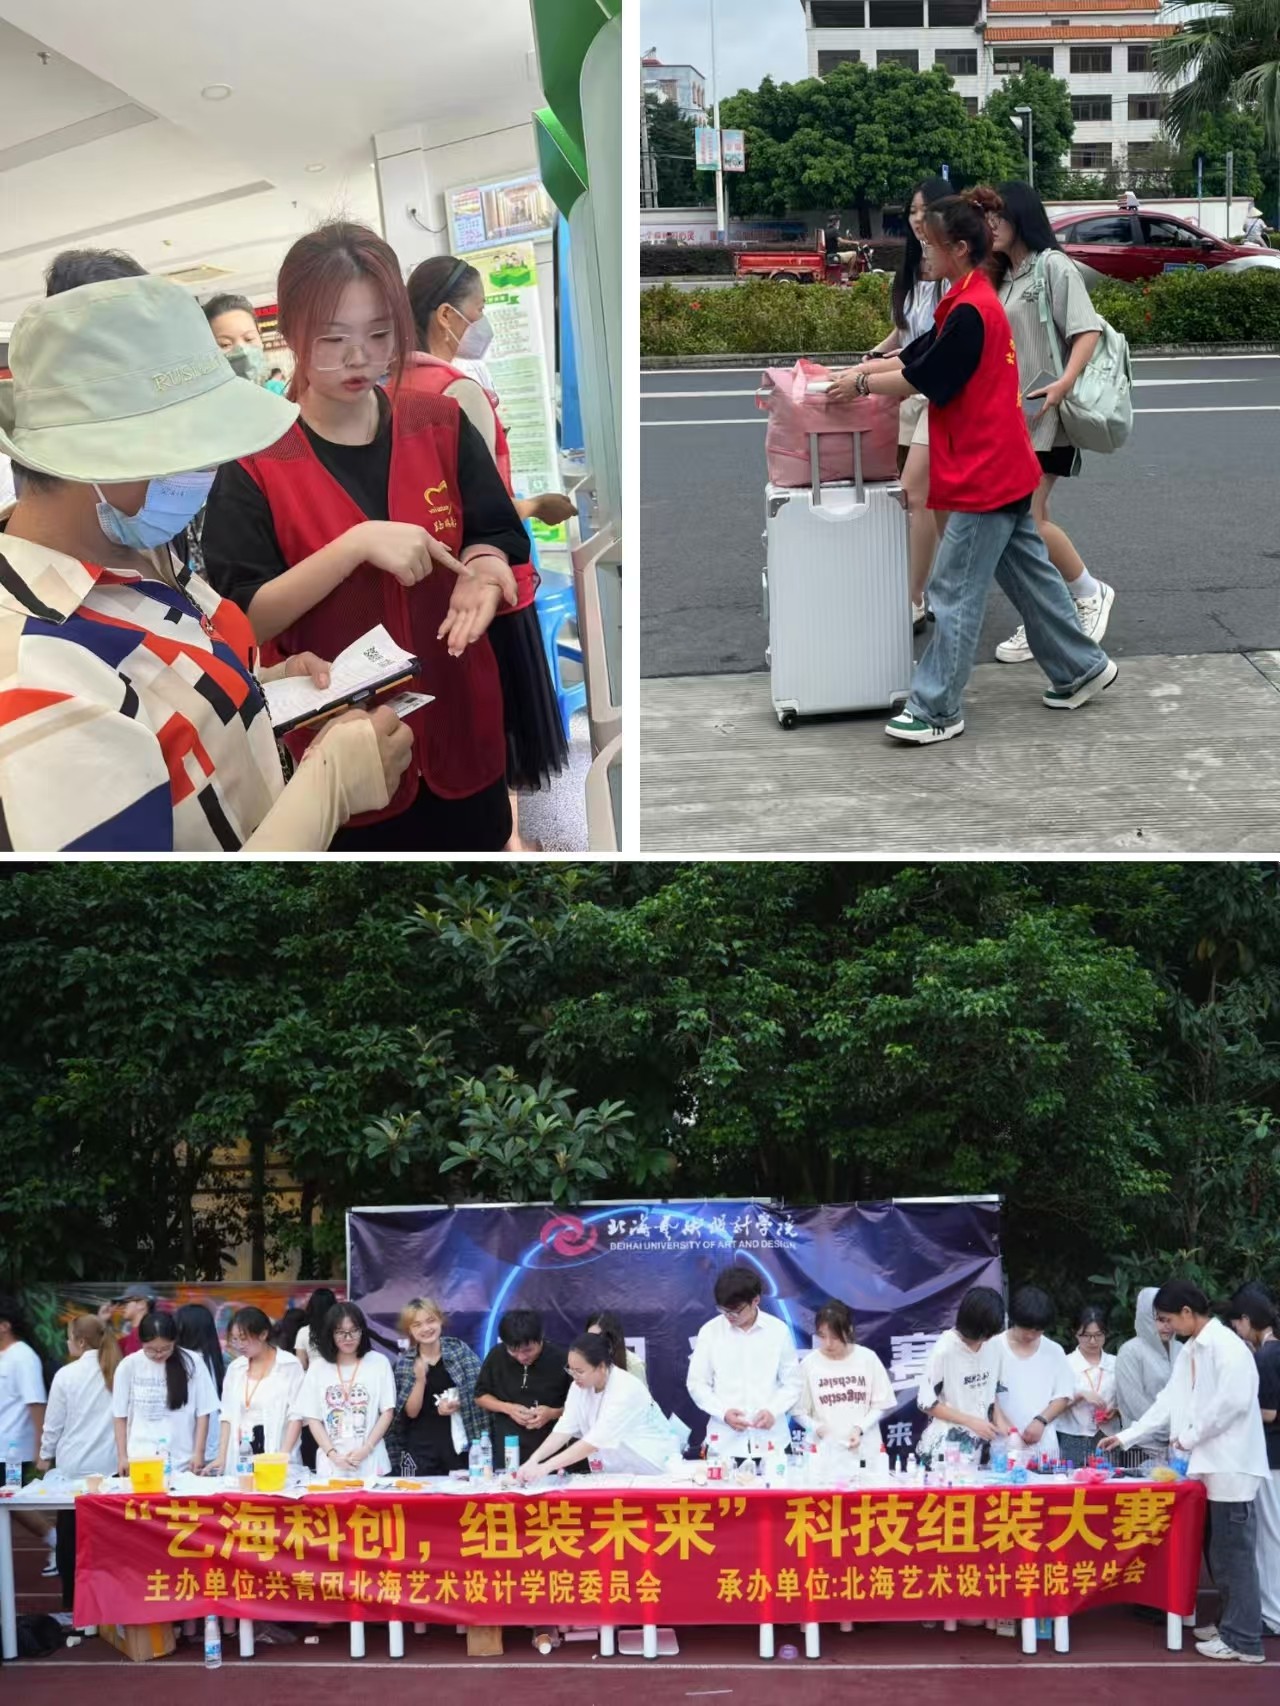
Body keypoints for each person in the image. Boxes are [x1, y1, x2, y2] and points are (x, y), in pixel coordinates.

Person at [0, 273, 411, 850]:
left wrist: (256, 689)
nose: (208, 474)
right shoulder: (36, 672)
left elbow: (169, 704)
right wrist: (329, 789)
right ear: (90, 460)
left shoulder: (135, 547)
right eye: (188, 451)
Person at [200, 222, 526, 854]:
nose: (358, 358)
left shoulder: (439, 423)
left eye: (379, 335)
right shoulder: (254, 465)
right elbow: (243, 618)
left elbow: (494, 532)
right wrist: (351, 547)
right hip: (347, 751)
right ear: (290, 332)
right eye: (333, 339)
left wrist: (485, 572)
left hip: (462, 722)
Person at [829, 192, 1117, 745]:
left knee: (953, 590)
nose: (923, 252)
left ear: (959, 248)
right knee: (1031, 582)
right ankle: (1082, 668)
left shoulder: (970, 310)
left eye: (931, 243)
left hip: (985, 472)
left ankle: (936, 708)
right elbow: (919, 356)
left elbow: (925, 377)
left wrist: (861, 383)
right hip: (1001, 465)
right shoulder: (967, 300)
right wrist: (862, 371)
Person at [404, 255, 574, 850]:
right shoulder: (456, 390)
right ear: (446, 317)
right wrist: (539, 506)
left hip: (430, 588)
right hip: (489, 585)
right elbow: (486, 508)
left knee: (462, 715)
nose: (482, 324)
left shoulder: (390, 387)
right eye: (477, 312)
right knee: (498, 717)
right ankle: (511, 843)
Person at [1102, 1280, 1269, 1665]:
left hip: (1231, 1464)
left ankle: (1244, 1639)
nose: (1165, 1327)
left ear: (1188, 1313)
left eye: (1167, 1319)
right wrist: (1126, 1436)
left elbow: (1233, 1403)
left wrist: (1191, 1435)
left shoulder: (1226, 1346)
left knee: (1233, 1554)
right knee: (1220, 1552)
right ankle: (1232, 1626)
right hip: (1209, 1464)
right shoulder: (1193, 1349)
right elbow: (1169, 1401)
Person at [985, 181, 1113, 662]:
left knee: (1027, 520)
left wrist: (1063, 384)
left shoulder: (1052, 266)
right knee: (1028, 521)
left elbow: (1086, 330)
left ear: (1021, 217)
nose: (990, 226)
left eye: (998, 217)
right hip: (1011, 419)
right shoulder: (1003, 277)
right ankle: (1048, 611)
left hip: (1047, 415)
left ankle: (1088, 592)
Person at [865, 176, 951, 627]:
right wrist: (874, 356)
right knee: (927, 501)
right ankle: (947, 584)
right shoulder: (915, 269)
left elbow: (935, 344)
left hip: (935, 392)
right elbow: (906, 332)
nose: (918, 220)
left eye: (925, 210)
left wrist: (868, 379)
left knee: (916, 492)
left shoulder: (952, 269)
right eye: (913, 212)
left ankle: (916, 597)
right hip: (908, 391)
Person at [35, 1316, 119, 1612]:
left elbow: (53, 1424)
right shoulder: (118, 1370)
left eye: (69, 1337)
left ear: (81, 1341)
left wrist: (44, 1456)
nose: (66, 1342)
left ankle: (73, 1606)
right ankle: (109, 1608)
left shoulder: (66, 1375)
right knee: (108, 1541)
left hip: (74, 1469)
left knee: (70, 1540)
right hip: (111, 1468)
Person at [514, 1331, 674, 1480]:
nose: (574, 1376)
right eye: (571, 1370)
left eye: (580, 1371)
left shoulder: (625, 1389)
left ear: (601, 1367)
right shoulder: (578, 1387)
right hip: (616, 1474)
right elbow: (564, 1429)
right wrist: (533, 1460)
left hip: (653, 1470)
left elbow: (593, 1442)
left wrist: (545, 1467)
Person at [686, 1264, 801, 1458]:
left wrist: (773, 1411)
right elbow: (697, 1383)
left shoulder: (777, 1331)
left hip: (772, 1443)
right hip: (724, 1444)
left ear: (755, 1300)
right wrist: (723, 1412)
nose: (729, 1316)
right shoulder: (710, 1332)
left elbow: (793, 1383)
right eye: (723, 1310)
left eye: (735, 1311)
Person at [290, 1301, 395, 1480]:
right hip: (332, 1466)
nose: (348, 1338)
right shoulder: (318, 1368)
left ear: (362, 1331)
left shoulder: (379, 1362)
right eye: (340, 1332)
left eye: (354, 1330)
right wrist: (332, 1454)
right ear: (330, 1333)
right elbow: (313, 1418)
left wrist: (366, 1449)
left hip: (371, 1462)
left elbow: (387, 1411)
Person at [1227, 1284, 1280, 1637]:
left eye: (1236, 1323)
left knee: (1269, 1537)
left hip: (1271, 1456)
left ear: (1247, 1320)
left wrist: (1235, 1408)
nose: (1236, 1330)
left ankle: (1271, 1614)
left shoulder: (1265, 1358)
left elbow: (1268, 1413)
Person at [112, 1310, 220, 1473]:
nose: (158, 1354)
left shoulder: (192, 1362)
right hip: (141, 1460)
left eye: (165, 1348)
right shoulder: (129, 1366)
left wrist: (199, 1453)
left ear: (174, 1341)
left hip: (182, 1461)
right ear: (141, 1342)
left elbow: (203, 1413)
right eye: (151, 1349)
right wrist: (122, 1457)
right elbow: (120, 1415)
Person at [388, 1297, 483, 1475]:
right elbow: (410, 1413)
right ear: (410, 1330)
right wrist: (420, 1379)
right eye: (417, 1325)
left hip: (459, 1445)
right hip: (421, 1449)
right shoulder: (406, 1363)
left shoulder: (459, 1350)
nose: (426, 1328)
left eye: (430, 1320)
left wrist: (459, 1403)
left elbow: (480, 1392)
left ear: (440, 1320)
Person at [916, 1285, 1007, 1466]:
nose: (986, 1339)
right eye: (984, 1333)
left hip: (982, 1448)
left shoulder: (994, 1345)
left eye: (990, 1334)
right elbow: (926, 1403)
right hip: (946, 1449)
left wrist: (1001, 1422)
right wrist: (971, 1421)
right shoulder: (946, 1349)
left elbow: (990, 1390)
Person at [207, 1306, 304, 1473]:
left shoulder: (289, 1365)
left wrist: (283, 1456)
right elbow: (227, 1415)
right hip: (241, 1454)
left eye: (244, 1339)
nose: (239, 1345)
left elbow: (296, 1416)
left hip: (276, 1451)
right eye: (235, 1340)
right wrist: (221, 1456)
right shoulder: (235, 1368)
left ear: (263, 1334)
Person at [796, 1300, 896, 1460]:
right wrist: (817, 1428)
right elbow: (798, 1411)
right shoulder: (809, 1364)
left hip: (864, 1449)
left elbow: (881, 1404)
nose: (828, 1343)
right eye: (822, 1336)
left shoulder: (867, 1358)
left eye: (834, 1337)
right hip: (824, 1452)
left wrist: (859, 1428)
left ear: (848, 1330)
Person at [473, 1308, 571, 1465]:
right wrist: (508, 1408)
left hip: (550, 1450)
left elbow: (579, 1407)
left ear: (540, 1338)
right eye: (513, 1351)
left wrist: (552, 1413)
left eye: (528, 1350)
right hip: (506, 1449)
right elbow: (480, 1396)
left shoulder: (561, 1359)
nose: (521, 1357)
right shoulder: (496, 1356)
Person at [0, 1294, 53, 1565]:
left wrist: (41, 1449)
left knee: (12, 1501)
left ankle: (57, 1542)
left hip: (12, 1450)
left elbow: (36, 1403)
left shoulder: (23, 1357)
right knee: (11, 1504)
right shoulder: (5, 1356)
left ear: (4, 1326)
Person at [993, 1285, 1075, 1458]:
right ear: (1014, 1319)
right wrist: (1010, 1432)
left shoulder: (1054, 1351)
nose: (1031, 1335)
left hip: (1044, 1448)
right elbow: (986, 1396)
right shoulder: (993, 1347)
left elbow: (1063, 1394)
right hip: (1002, 1448)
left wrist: (1041, 1420)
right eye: (1026, 1328)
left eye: (1038, 1330)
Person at [1115, 1284, 1182, 1434]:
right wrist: (1168, 1428)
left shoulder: (1181, 1349)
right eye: (1160, 1319)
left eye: (1171, 1319)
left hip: (1180, 1439)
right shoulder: (1130, 1352)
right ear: (1146, 1318)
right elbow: (1135, 1403)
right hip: (1142, 1441)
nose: (1167, 1326)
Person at [1059, 1302, 1118, 1467]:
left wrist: (1116, 1411)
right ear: (1075, 1333)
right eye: (1086, 1335)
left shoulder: (1116, 1363)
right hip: (1073, 1436)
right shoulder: (1065, 1364)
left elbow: (1127, 1400)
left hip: (1107, 1435)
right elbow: (1052, 1407)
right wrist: (1080, 1395)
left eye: (1099, 1335)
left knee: (1109, 1478)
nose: (1093, 1341)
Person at [584, 1309, 647, 1385]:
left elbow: (640, 1392)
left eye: (598, 1337)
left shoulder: (634, 1364)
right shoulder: (585, 1361)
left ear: (612, 1338)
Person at [100, 1285, 157, 1356]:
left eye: (125, 1302)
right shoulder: (131, 1337)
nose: (121, 1306)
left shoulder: (144, 1337)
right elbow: (108, 1352)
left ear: (141, 1304)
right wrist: (103, 1322)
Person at [294, 1288, 338, 1373]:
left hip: (313, 1376)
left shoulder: (303, 1332)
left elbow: (302, 1364)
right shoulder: (340, 1331)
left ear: (311, 1307)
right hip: (338, 1375)